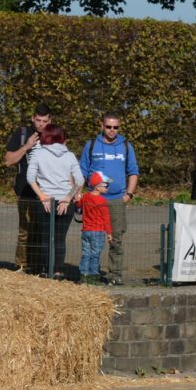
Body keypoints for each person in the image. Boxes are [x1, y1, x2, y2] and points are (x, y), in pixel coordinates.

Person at [78, 111, 140, 286]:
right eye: (109, 127)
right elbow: (81, 171)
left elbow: (133, 172)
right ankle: (91, 274)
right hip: (94, 201)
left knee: (117, 239)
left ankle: (115, 275)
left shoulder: (126, 145)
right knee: (92, 240)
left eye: (116, 127)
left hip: (116, 200)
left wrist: (128, 195)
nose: (112, 130)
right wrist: (78, 193)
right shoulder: (91, 145)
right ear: (101, 126)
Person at [26, 123, 83, 279]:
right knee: (59, 238)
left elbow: (30, 178)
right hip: (65, 203)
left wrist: (42, 196)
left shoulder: (38, 154)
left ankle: (45, 270)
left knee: (45, 237)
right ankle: (58, 271)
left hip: (46, 201)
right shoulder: (69, 155)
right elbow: (79, 180)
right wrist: (67, 198)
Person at [4, 102, 51, 272]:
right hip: (25, 190)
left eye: (45, 121)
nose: (41, 124)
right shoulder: (23, 134)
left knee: (42, 231)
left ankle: (39, 267)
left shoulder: (55, 135)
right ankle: (21, 266)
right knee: (25, 231)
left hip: (46, 192)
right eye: (38, 120)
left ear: (50, 120)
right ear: (33, 119)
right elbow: (9, 160)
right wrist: (27, 146)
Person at [79, 171, 113, 285]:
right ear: (98, 187)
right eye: (106, 185)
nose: (108, 187)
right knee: (95, 255)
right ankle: (93, 275)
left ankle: (83, 275)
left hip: (86, 231)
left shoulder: (86, 197)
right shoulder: (102, 201)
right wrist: (109, 233)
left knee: (86, 254)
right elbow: (106, 218)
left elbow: (79, 205)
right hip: (97, 231)